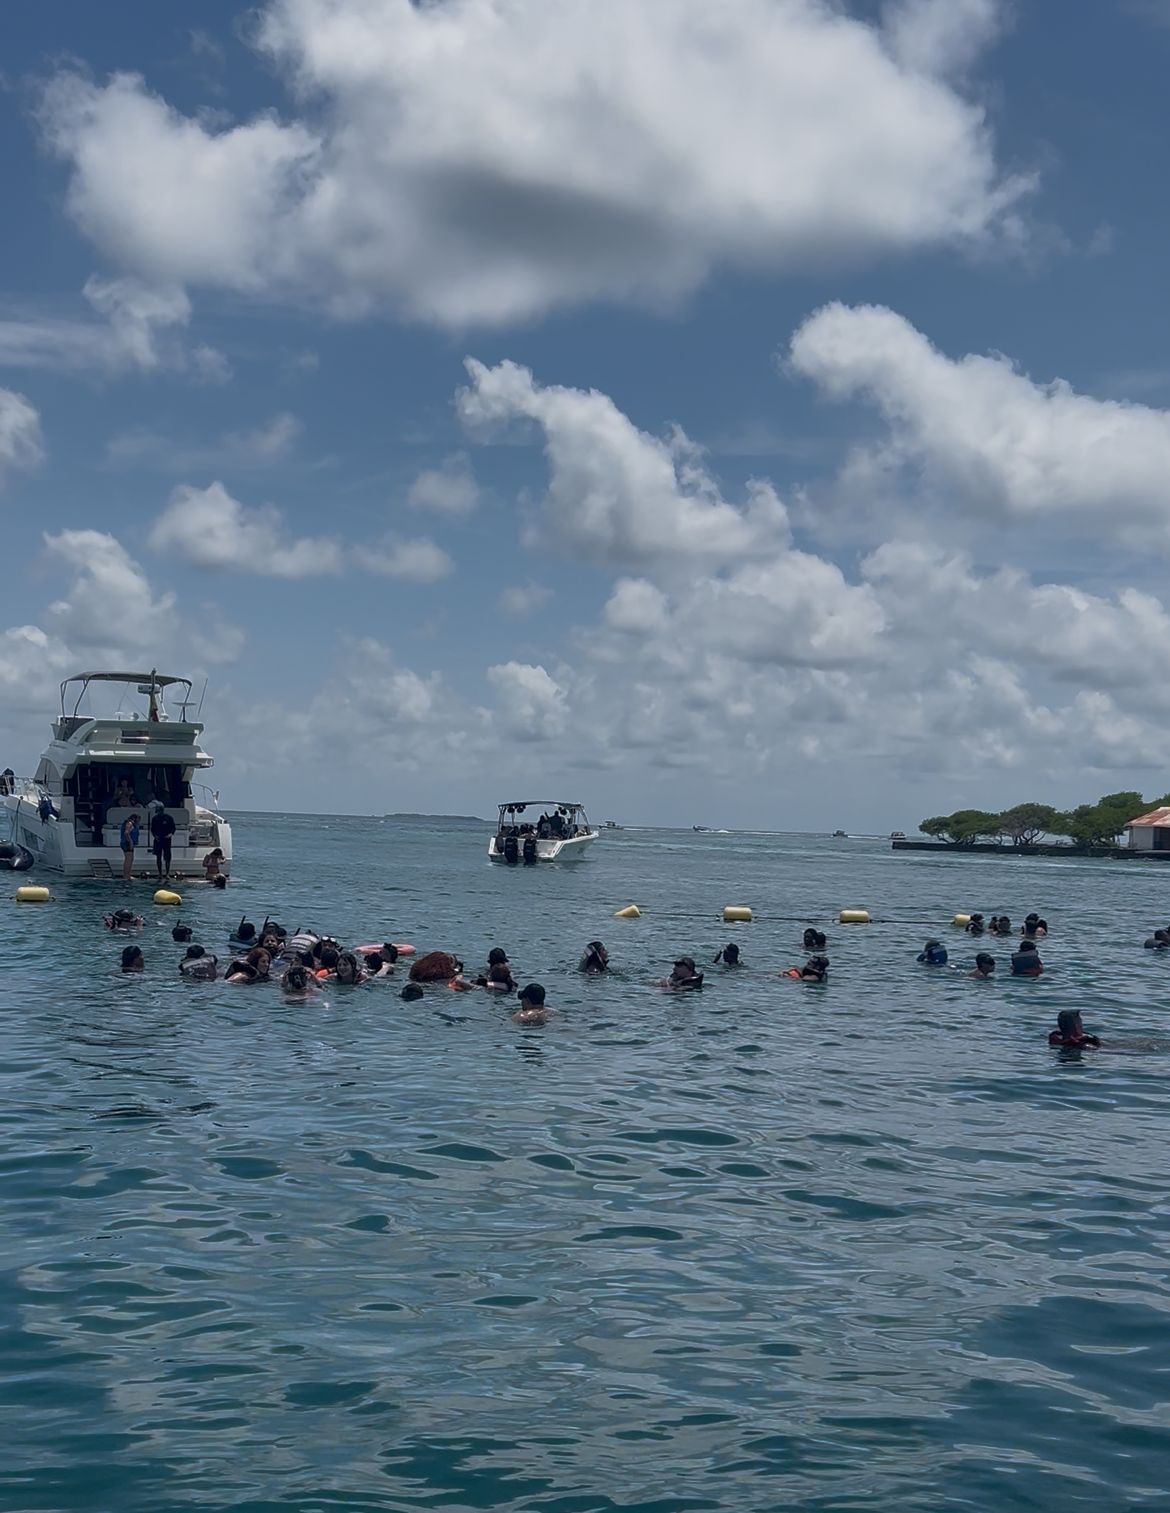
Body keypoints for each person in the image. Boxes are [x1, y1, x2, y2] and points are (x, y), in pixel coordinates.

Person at [150, 806, 177, 880]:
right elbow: (152, 829)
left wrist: (170, 834)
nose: (158, 813)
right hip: (158, 839)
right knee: (158, 857)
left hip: (166, 839)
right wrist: (155, 836)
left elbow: (173, 828)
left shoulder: (168, 818)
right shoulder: (155, 819)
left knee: (167, 857)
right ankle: (160, 874)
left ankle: (167, 874)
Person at [119, 813, 140, 881]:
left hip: (127, 843)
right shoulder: (129, 823)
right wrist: (130, 842)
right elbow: (126, 833)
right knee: (128, 859)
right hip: (127, 843)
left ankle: (128, 874)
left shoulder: (131, 824)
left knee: (130, 859)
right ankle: (126, 875)